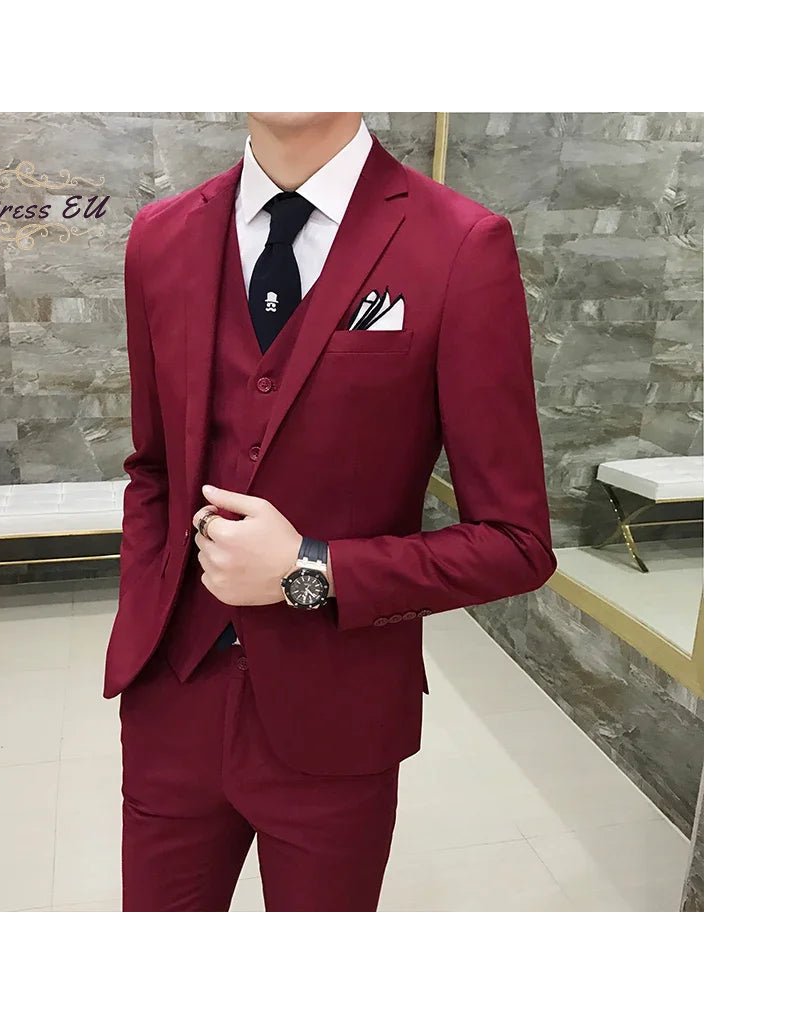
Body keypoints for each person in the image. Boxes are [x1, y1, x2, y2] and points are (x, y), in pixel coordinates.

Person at [103, 112, 556, 911]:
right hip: (170, 701)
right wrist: (144, 614)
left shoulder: (460, 244)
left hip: (340, 717)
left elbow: (516, 543)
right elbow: (154, 469)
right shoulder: (160, 237)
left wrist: (311, 569)